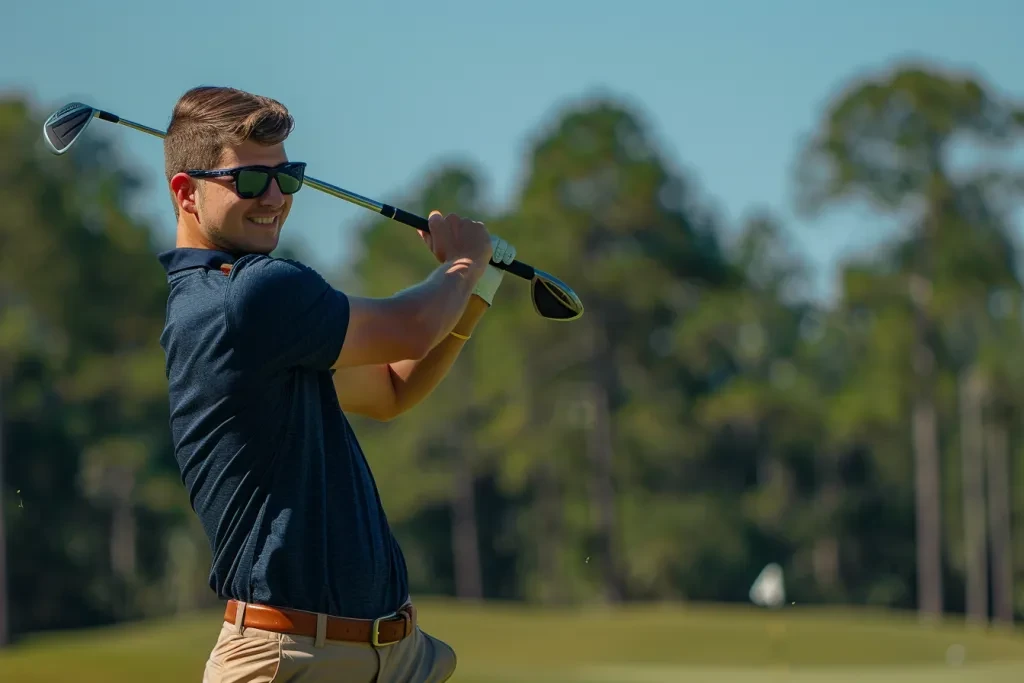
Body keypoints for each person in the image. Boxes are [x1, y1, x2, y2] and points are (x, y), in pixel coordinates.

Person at [156, 85, 516, 683]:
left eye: (286, 177)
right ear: (185, 192)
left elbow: (393, 389)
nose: (273, 197)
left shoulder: (254, 310)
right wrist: (464, 262)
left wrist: (475, 293)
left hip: (392, 656)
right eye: (249, 181)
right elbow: (412, 328)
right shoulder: (250, 295)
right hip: (290, 660)